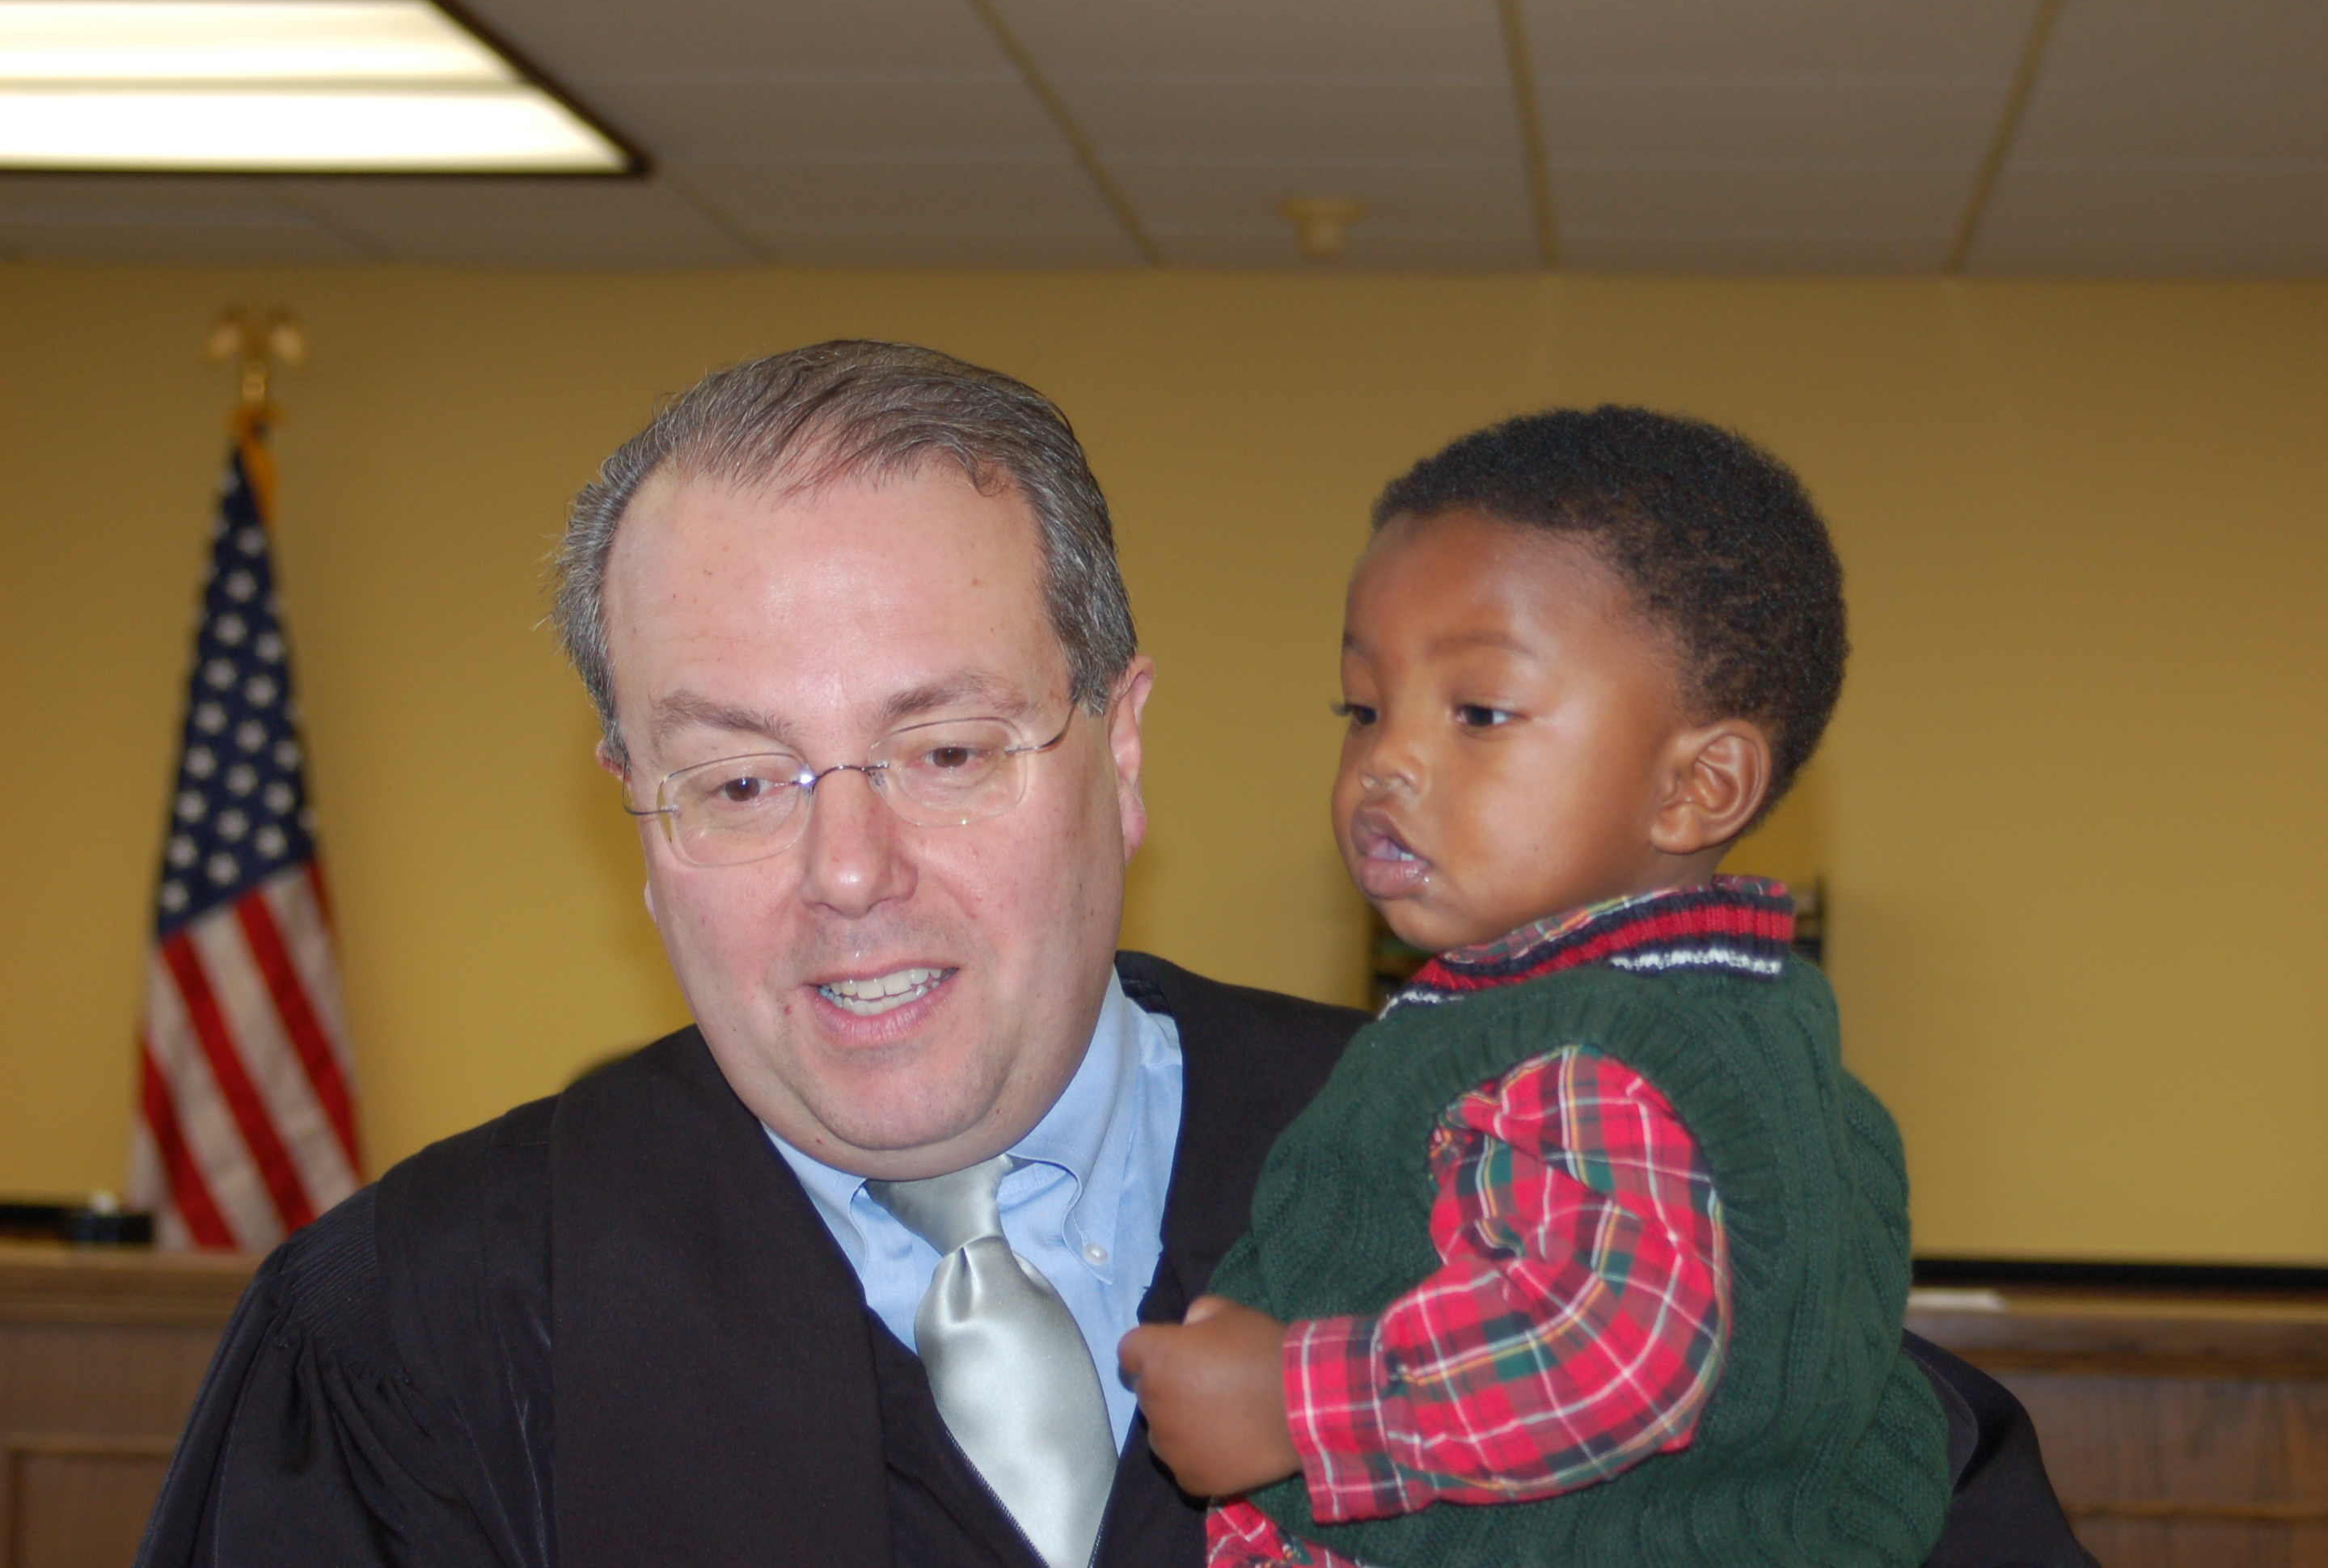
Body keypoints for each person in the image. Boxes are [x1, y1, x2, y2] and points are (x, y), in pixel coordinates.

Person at [137, 345, 2077, 1568]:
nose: (846, 870)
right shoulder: (415, 1330)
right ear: (633, 816)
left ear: (1121, 751)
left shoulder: (1553, 1159)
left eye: (948, 749)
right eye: (734, 780)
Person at [1119, 407, 2092, 1568]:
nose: (1386, 762)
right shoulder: (1754, 1051)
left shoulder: (1593, 1055)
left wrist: (1293, 1407)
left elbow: (1615, 1344)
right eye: (1363, 710)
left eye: (1480, 712)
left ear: (1698, 788)